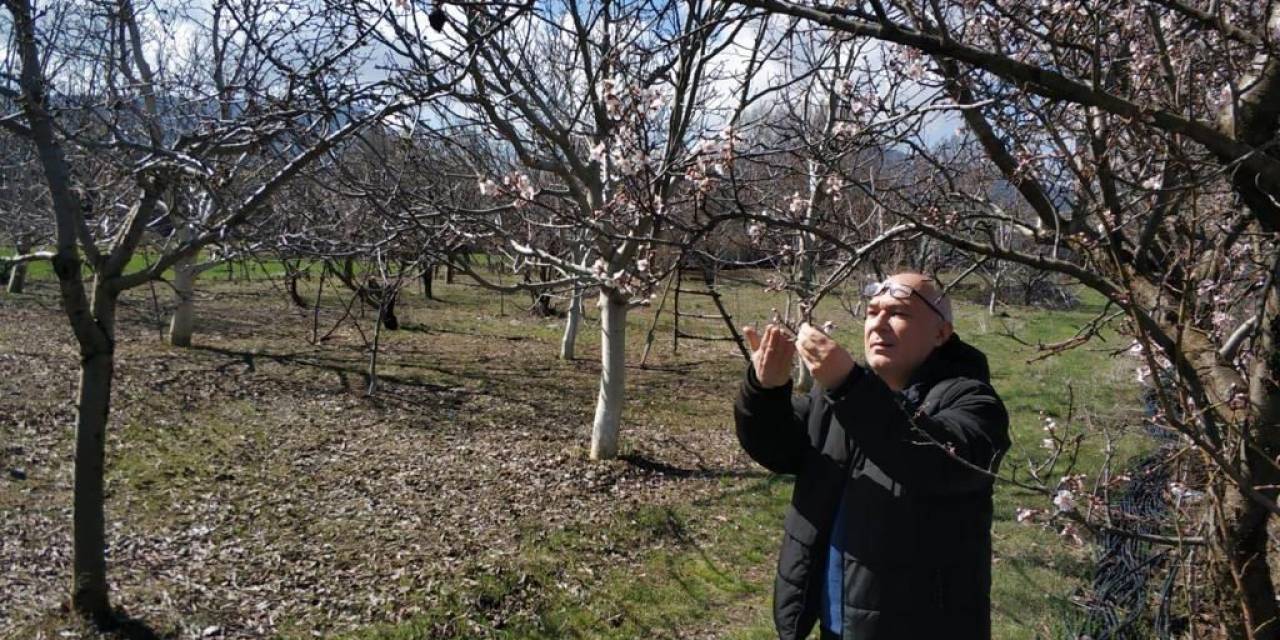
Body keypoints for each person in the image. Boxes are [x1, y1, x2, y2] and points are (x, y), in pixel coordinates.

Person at [734, 272, 1011, 639]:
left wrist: (848, 386)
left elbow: (938, 462)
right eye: (872, 312)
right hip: (838, 620)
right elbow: (779, 448)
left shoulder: (974, 402)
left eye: (899, 313)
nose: (879, 324)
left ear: (941, 333)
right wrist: (766, 390)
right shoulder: (837, 398)